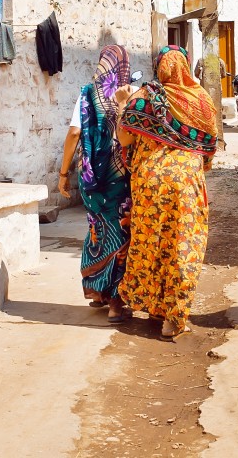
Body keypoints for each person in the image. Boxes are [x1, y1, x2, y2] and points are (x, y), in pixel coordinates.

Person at [115, 46, 218, 342]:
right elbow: (209, 146)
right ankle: (173, 319)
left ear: (159, 67)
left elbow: (123, 137)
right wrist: (199, 166)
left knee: (152, 243)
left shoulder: (145, 96)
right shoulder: (200, 99)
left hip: (149, 183)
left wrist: (123, 105)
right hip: (185, 184)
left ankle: (155, 308)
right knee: (183, 246)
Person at [58, 45, 135, 324]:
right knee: (121, 235)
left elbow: (74, 133)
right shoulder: (130, 94)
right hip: (121, 180)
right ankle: (116, 300)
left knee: (97, 230)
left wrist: (63, 173)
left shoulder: (86, 94)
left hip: (91, 180)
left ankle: (96, 292)